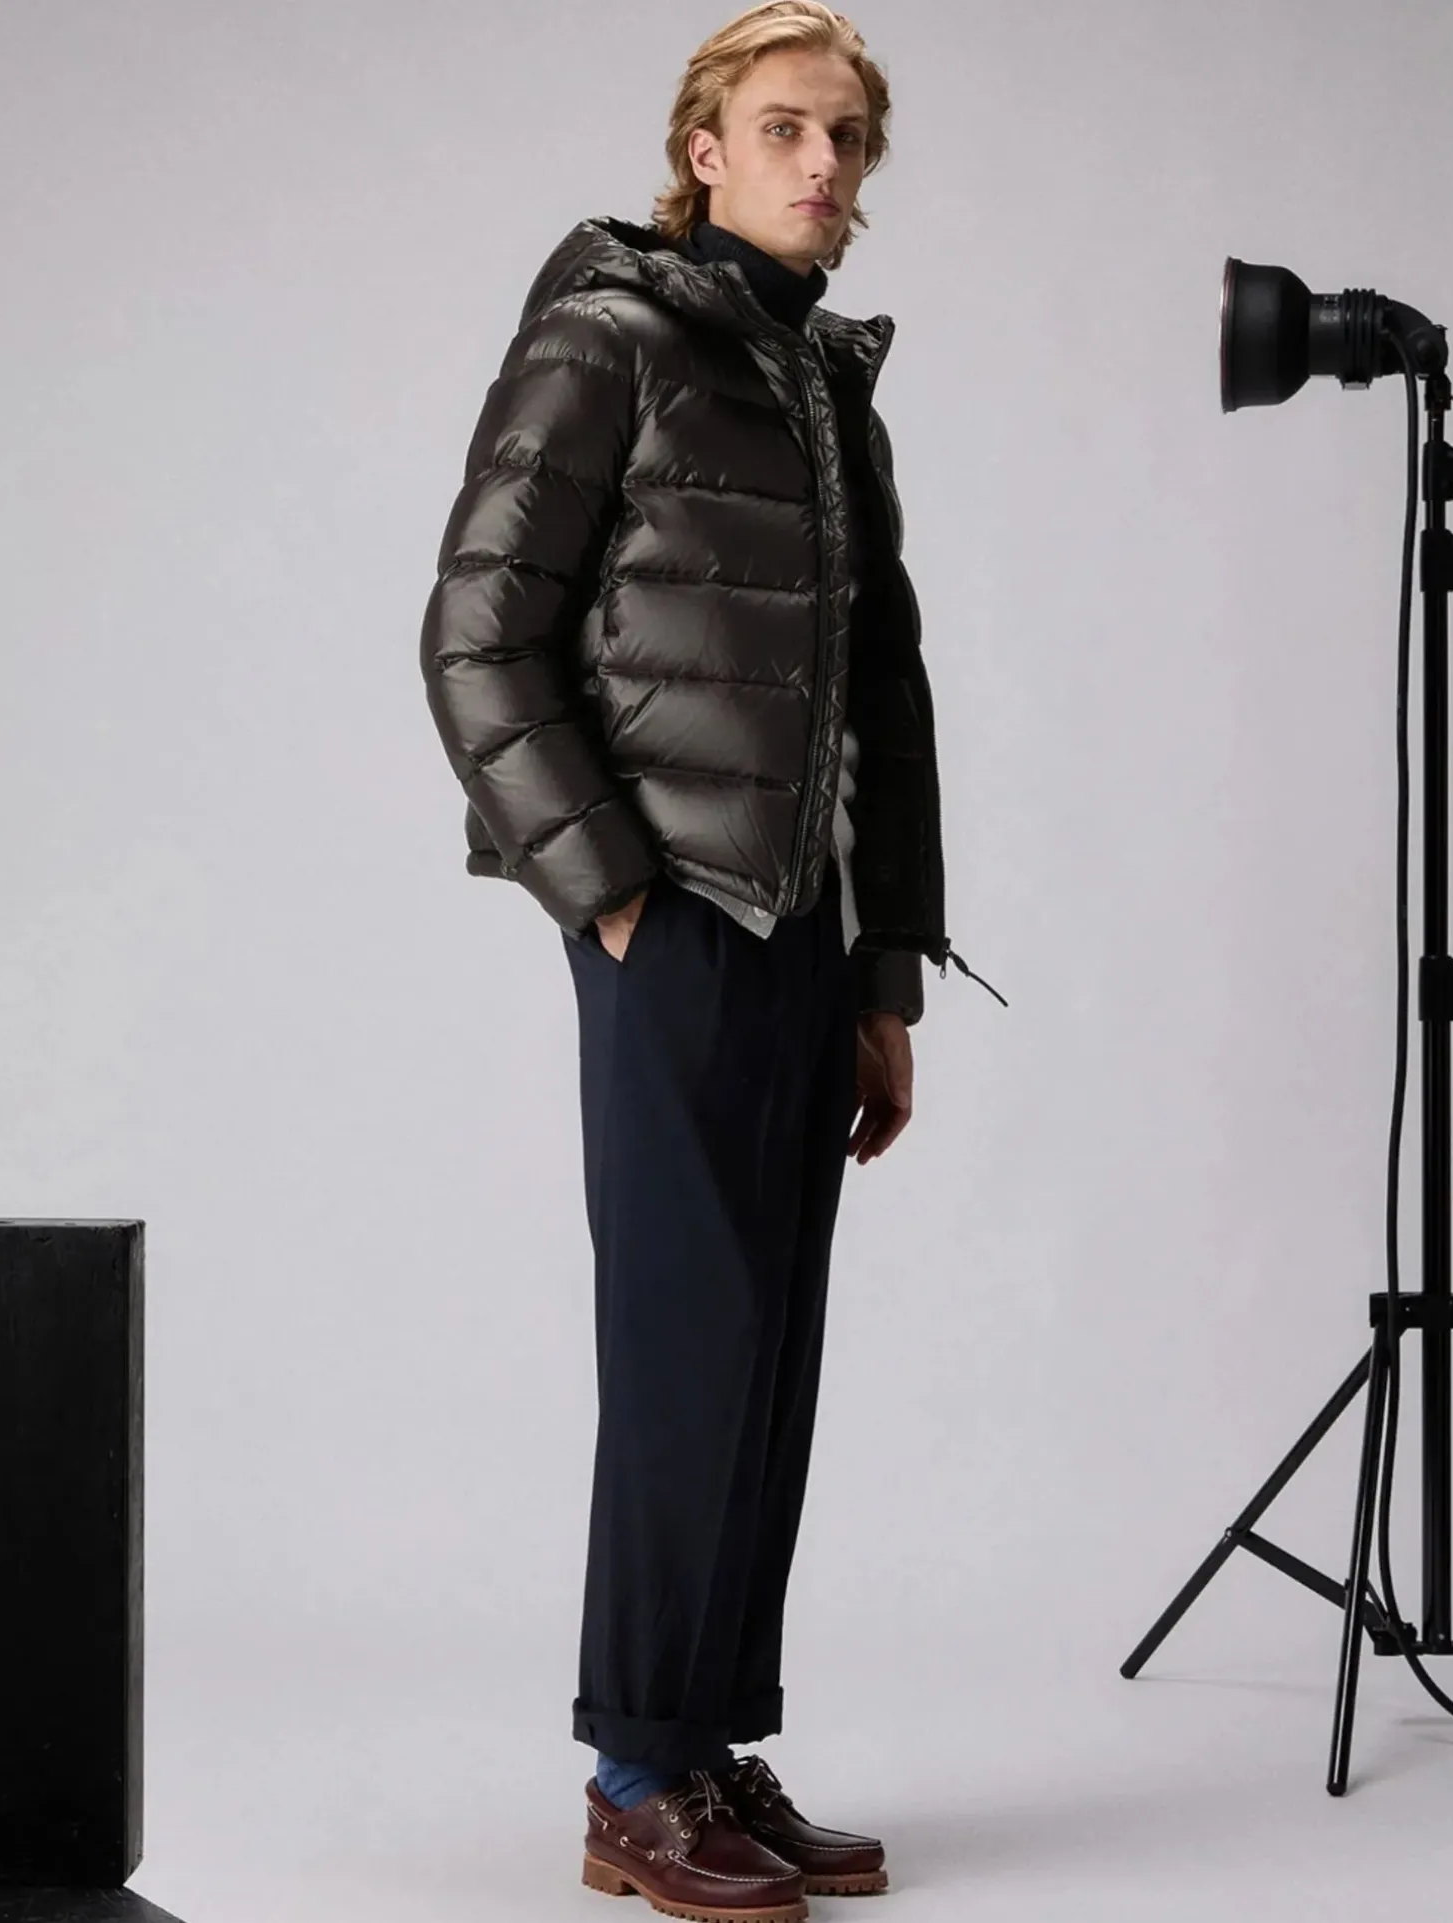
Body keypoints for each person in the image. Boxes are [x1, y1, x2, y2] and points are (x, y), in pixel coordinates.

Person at [419, 4, 1000, 1915]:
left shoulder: (826, 383)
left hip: (805, 927)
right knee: (685, 1346)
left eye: (846, 139)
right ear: (704, 149)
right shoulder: (609, 339)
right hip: (675, 920)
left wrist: (884, 975)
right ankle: (629, 1777)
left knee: (764, 1355)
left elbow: (883, 699)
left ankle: (706, 1743)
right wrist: (610, 894)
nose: (822, 165)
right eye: (783, 129)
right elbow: (477, 635)